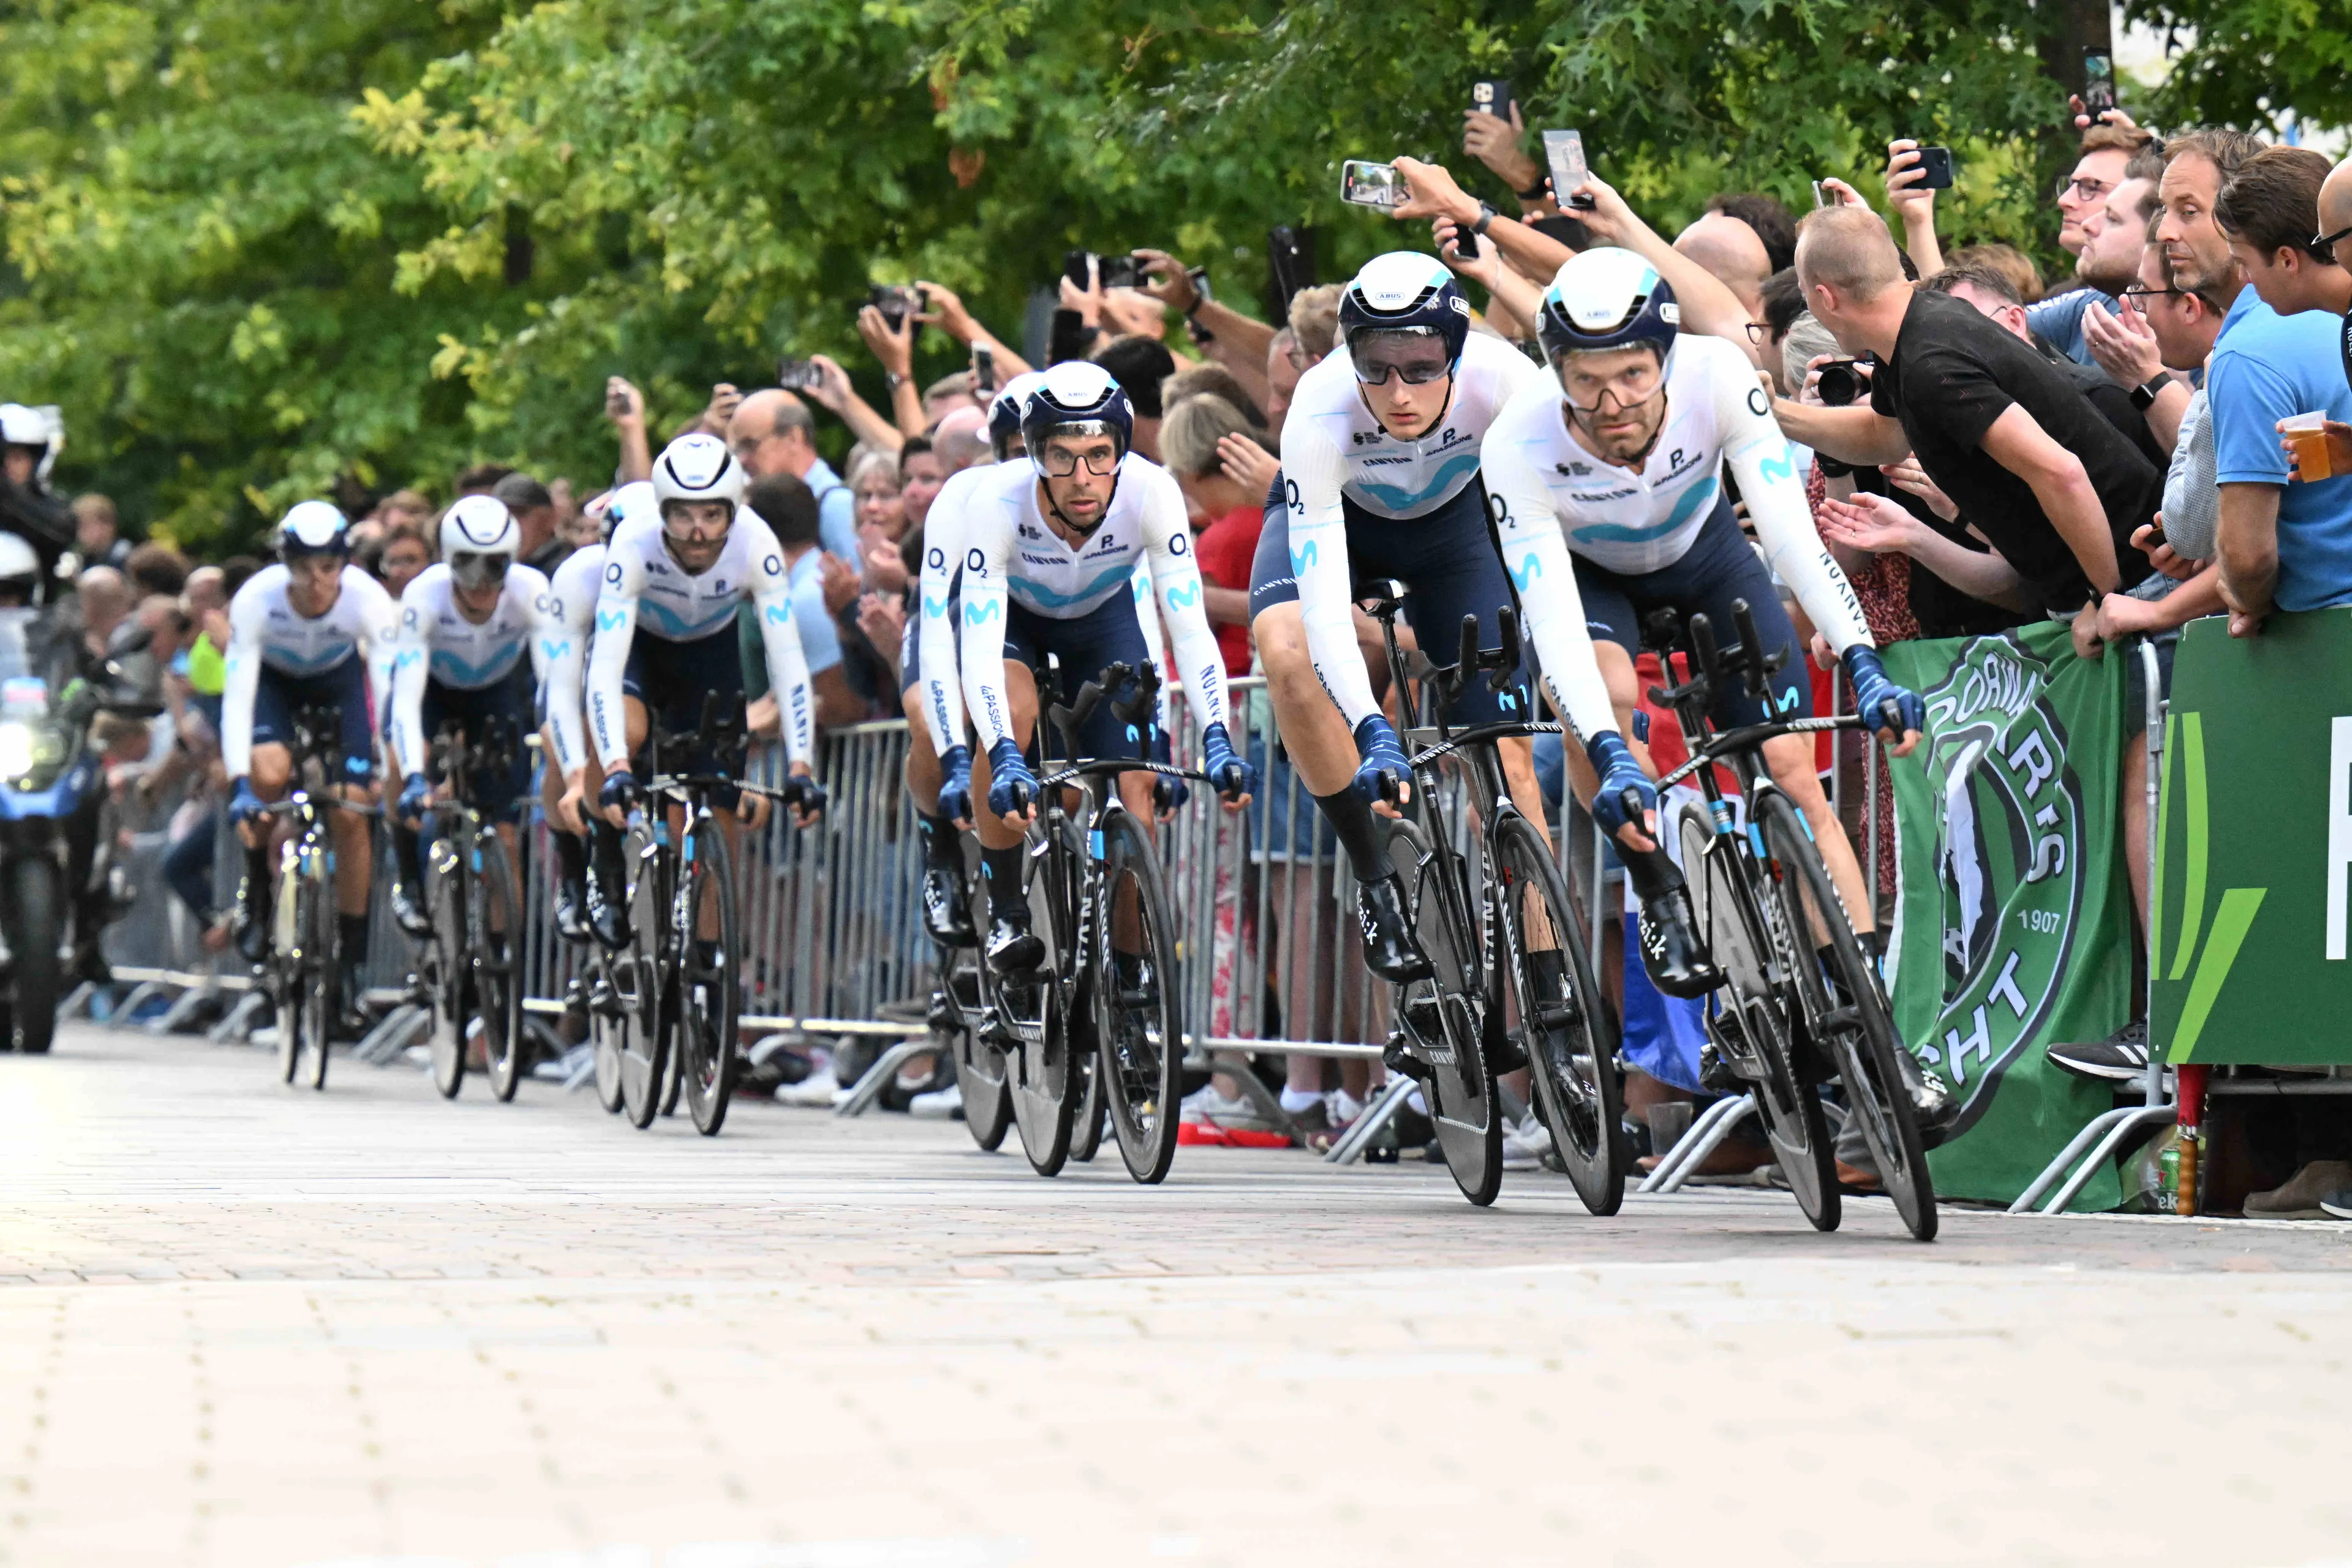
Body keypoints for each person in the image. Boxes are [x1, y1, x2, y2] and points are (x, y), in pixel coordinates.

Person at [1479, 250, 1942, 1128]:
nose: (1613, 403)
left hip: (1706, 560)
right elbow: (1549, 620)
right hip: (1593, 580)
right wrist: (1612, 752)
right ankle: (1653, 881)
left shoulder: (1720, 377)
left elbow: (1794, 542)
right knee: (1606, 696)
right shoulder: (1518, 442)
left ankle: (1881, 1042)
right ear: (1558, 374)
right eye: (1588, 381)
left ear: (1665, 356)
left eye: (1632, 375)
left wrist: (1863, 660)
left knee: (1793, 774)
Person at [1243, 252, 1549, 984]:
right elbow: (1321, 612)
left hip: (1454, 535)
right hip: (1341, 525)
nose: (1398, 389)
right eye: (1375, 367)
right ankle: (1375, 876)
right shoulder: (1318, 411)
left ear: (1457, 348)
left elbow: (1549, 538)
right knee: (1285, 651)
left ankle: (1547, 968)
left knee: (1509, 758)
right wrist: (1371, 728)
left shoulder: (1506, 379)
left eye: (1420, 366)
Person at [955, 361, 1254, 973]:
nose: (1083, 477)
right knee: (1012, 718)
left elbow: (1186, 624)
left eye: (1099, 454)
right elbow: (982, 643)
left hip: (1102, 620)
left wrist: (1216, 735)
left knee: (1136, 786)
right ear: (1034, 455)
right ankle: (1008, 905)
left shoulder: (1151, 492)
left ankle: (1130, 966)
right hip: (1016, 621)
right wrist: (1005, 752)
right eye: (1061, 457)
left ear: (1121, 449)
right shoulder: (996, 502)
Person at [1776, 206, 2162, 620]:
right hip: (2123, 576)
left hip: (2138, 581)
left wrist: (2104, 598)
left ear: (1825, 298)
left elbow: (2060, 472)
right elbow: (1882, 437)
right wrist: (1769, 412)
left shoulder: (1930, 361)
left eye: (1804, 295)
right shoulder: (1914, 332)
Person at [582, 433, 826, 945]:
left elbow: (787, 659)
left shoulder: (757, 544)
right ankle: (605, 862)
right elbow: (605, 663)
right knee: (626, 731)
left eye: (713, 515)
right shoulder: (633, 541)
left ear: (733, 512)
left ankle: (710, 961)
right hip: (641, 651)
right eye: (684, 516)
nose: (697, 533)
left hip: (710, 657)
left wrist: (802, 766)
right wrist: (617, 767)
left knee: (718, 805)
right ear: (662, 510)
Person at [220, 502, 398, 1023]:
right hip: (274, 685)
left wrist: (389, 763)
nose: (316, 582)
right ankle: (256, 886)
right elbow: (237, 697)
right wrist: (240, 785)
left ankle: (352, 965)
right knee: (271, 773)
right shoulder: (257, 599)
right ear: (285, 564)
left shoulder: (368, 599)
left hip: (338, 683)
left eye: (327, 567)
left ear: (344, 562)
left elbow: (387, 690)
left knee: (351, 812)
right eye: (302, 568)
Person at [2191, 141, 2352, 632]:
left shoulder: (2245, 356)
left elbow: (2248, 555)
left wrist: (2246, 597)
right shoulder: (2343, 327)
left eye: (2244, 261)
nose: (2243, 278)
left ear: (2286, 259)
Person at [382, 494, 557, 947]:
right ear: (446, 561)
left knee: (505, 837)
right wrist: (416, 777)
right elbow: (405, 700)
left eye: (494, 567)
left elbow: (552, 684)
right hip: (432, 693)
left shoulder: (530, 589)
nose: (480, 584)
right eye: (467, 566)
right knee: (400, 760)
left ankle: (503, 962)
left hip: (493, 694)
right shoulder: (426, 593)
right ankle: (407, 876)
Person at [537, 480, 652, 944]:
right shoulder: (581, 575)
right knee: (567, 736)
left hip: (654, 664)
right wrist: (572, 775)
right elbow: (560, 690)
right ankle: (584, 870)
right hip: (588, 672)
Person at [725, 390, 861, 560]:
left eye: (750, 444)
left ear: (793, 438)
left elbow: (859, 583)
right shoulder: (778, 504)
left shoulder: (835, 505)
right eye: (737, 450)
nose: (742, 460)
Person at [492, 472, 567, 576]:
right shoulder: (493, 571)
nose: (509, 524)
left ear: (550, 518)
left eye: (519, 513)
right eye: (501, 515)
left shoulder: (567, 570)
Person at [72, 494, 134, 569]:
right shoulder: (87, 558)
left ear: (107, 526)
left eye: (85, 526)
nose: (80, 533)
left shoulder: (123, 556)